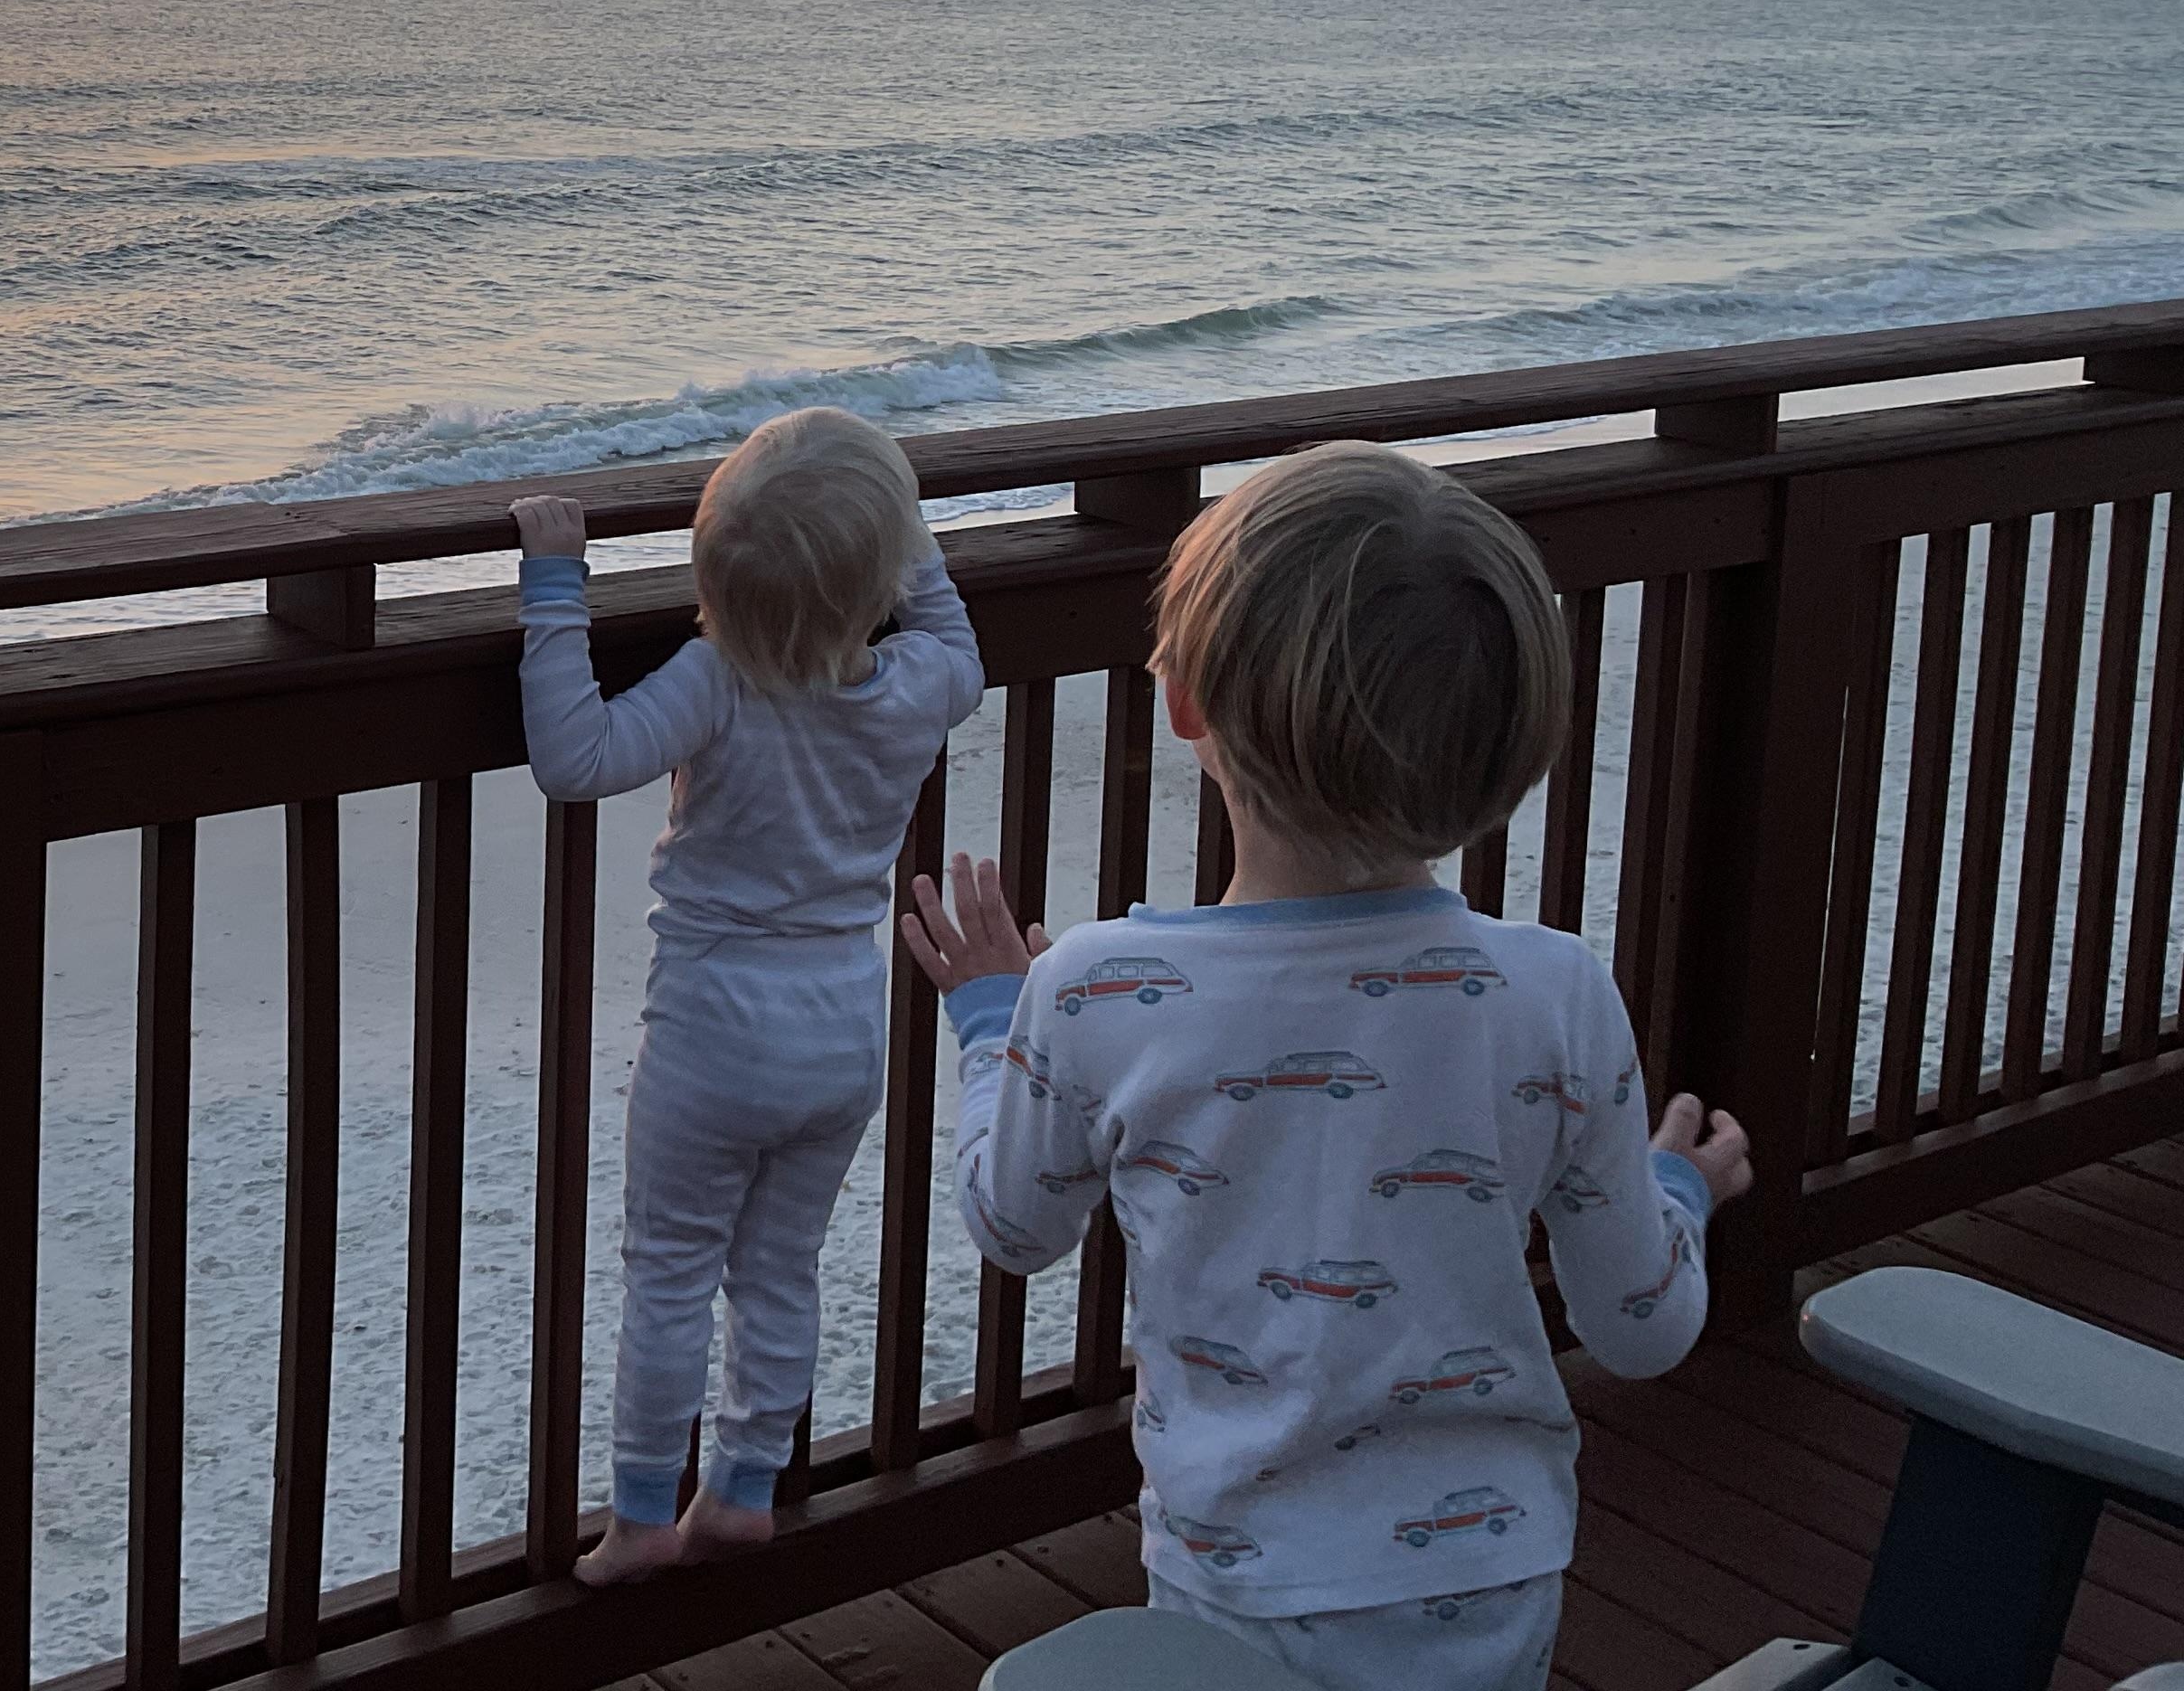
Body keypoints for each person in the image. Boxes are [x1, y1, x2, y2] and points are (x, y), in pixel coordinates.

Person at [899, 440, 1751, 1691]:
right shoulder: (1555, 991)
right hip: (1493, 1577)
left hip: (1241, 1578)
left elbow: (1013, 1227)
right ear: (1507, 748)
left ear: (1186, 706)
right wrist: (1677, 1190)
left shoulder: (1098, 989)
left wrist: (992, 1023)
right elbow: (1642, 1329)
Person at [508, 405, 987, 1585]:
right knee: (779, 1268)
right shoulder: (922, 681)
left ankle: (639, 1516)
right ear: (884, 573)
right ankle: (743, 1485)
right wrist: (911, 542)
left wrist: (557, 584)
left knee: (671, 1271)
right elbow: (956, 642)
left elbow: (576, 758)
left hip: (714, 1033)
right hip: (842, 1030)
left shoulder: (718, 682)